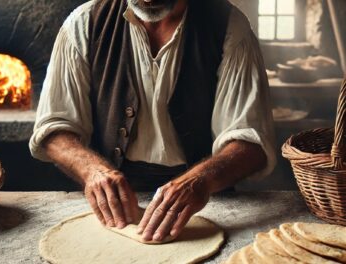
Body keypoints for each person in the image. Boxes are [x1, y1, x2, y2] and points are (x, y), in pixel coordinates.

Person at [29, 0, 276, 242]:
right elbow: (54, 129)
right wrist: (92, 170)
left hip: (207, 201)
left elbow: (250, 141)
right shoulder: (83, 24)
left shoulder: (228, 25)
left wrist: (200, 180)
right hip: (115, 204)